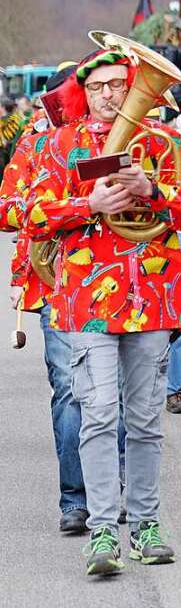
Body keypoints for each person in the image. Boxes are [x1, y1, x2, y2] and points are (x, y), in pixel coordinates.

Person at [26, 46, 181, 575]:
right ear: (84, 93)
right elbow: (15, 208)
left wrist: (152, 190)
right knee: (100, 412)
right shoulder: (59, 144)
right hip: (85, 302)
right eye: (98, 87)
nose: (108, 95)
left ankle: (147, 522)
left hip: (150, 300)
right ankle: (104, 530)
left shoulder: (163, 141)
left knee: (147, 420)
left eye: (117, 84)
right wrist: (87, 205)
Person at [0, 65, 89, 533]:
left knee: (116, 398)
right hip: (56, 283)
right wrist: (53, 206)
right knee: (70, 392)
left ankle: (115, 491)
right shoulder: (34, 144)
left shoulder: (114, 139)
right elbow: (6, 209)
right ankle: (75, 499)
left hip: (114, 287)